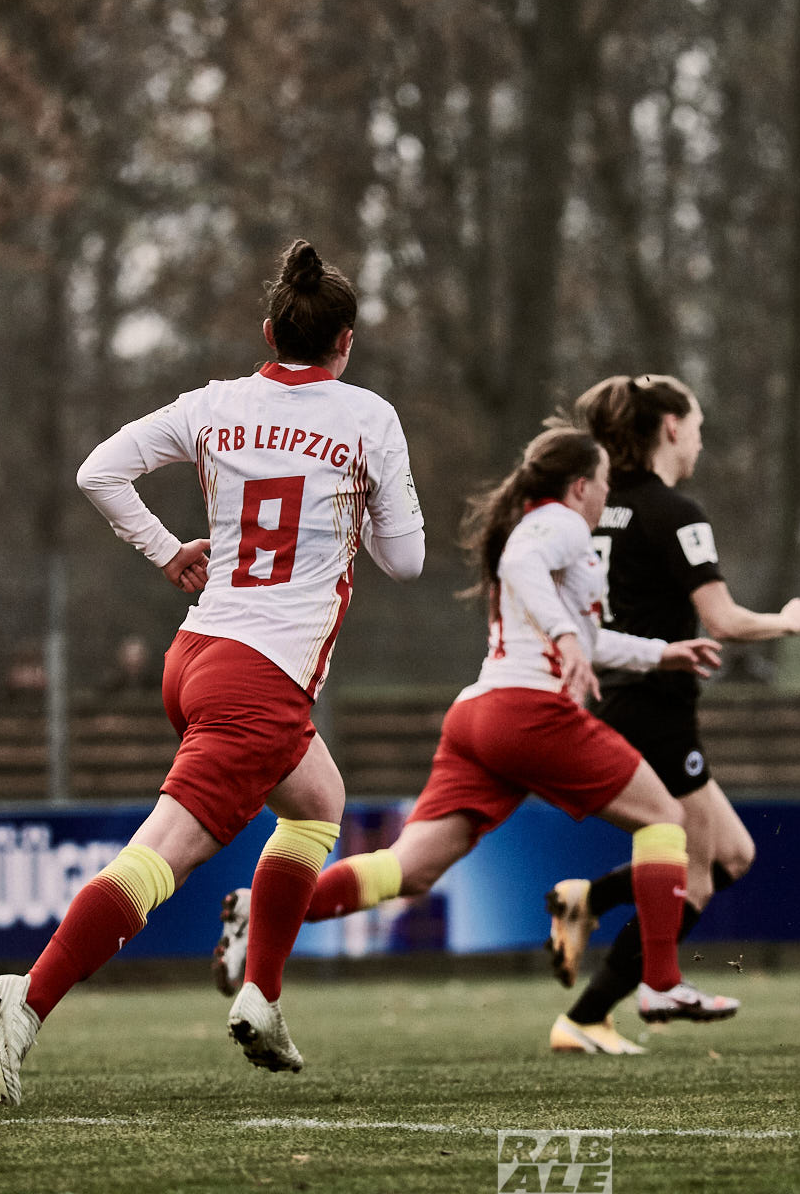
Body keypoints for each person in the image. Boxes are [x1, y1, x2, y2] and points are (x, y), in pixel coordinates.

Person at [0, 240, 426, 1104]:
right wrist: (361, 500)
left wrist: (166, 552)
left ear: (269, 330)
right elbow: (403, 560)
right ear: (347, 342)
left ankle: (260, 995)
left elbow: (98, 471)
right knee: (162, 860)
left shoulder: (217, 404)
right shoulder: (368, 417)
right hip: (259, 681)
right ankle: (26, 998)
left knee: (318, 804)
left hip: (197, 657)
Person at [212, 425, 732, 1034]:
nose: (607, 494)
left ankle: (264, 913)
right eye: (605, 482)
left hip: (480, 715)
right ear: (581, 485)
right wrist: (567, 639)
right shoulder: (559, 524)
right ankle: (662, 984)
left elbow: (585, 636)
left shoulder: (557, 532)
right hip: (529, 713)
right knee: (665, 821)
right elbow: (524, 566)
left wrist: (661, 654)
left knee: (408, 871)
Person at [540, 374, 800, 1055]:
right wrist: (783, 622)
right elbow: (721, 619)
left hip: (602, 697)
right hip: (654, 709)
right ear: (670, 428)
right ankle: (590, 1014)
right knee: (702, 868)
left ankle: (591, 903)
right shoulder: (676, 512)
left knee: (731, 854)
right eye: (695, 427)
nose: (698, 441)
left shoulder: (589, 509)